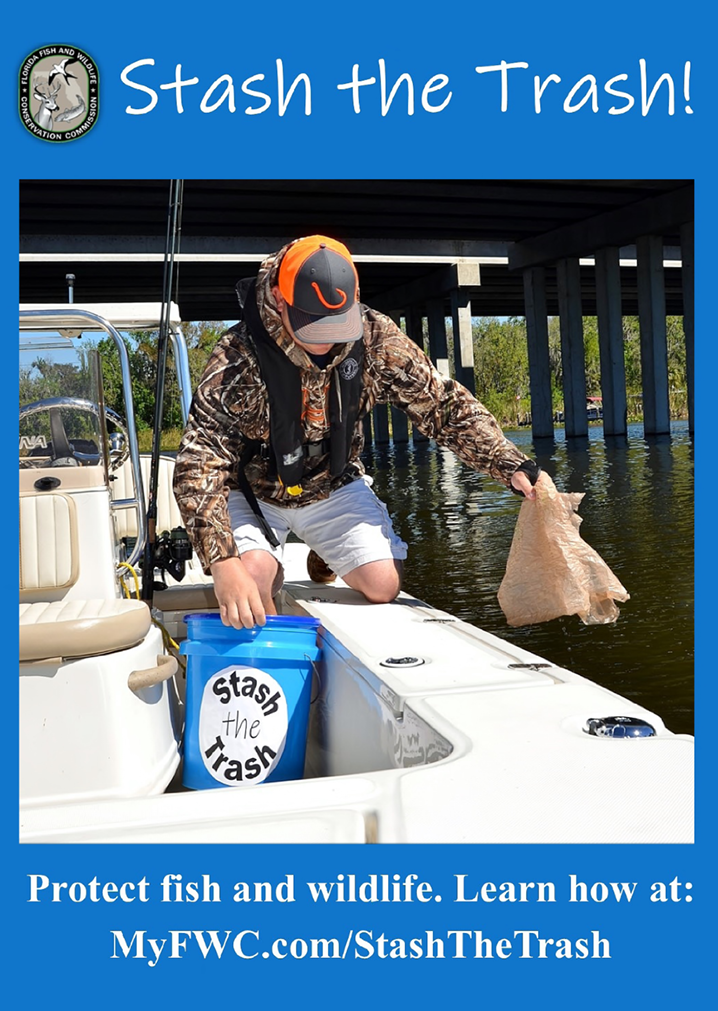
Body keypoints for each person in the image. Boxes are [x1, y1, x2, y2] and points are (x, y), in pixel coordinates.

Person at [173, 235, 539, 630]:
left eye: (336, 324)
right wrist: (223, 561)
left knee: (385, 585)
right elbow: (199, 460)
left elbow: (442, 404)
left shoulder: (377, 339)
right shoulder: (235, 357)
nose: (326, 340)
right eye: (312, 325)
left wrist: (509, 463)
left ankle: (325, 552)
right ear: (280, 300)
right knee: (255, 577)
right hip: (253, 492)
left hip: (331, 482)